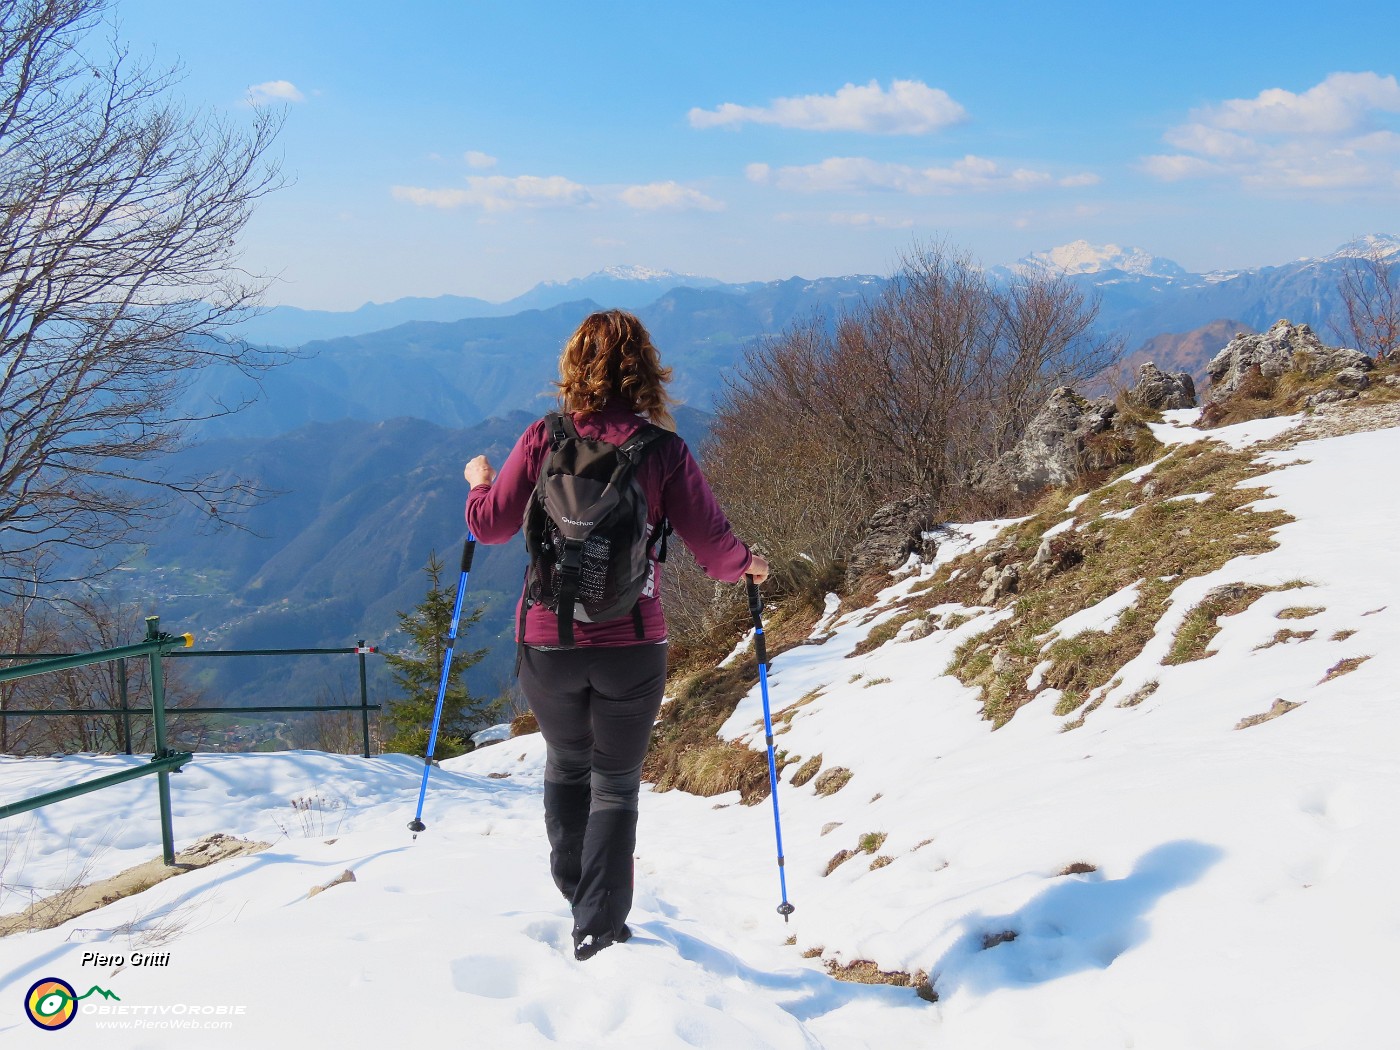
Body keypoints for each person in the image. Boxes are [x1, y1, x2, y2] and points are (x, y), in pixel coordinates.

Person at [464, 309, 769, 961]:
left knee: (567, 761)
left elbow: (488, 526)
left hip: (545, 641)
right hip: (631, 643)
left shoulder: (543, 438)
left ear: (573, 367)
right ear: (646, 371)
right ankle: (598, 923)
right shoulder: (663, 451)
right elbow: (716, 553)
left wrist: (479, 484)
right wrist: (752, 564)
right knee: (615, 781)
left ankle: (578, 894)